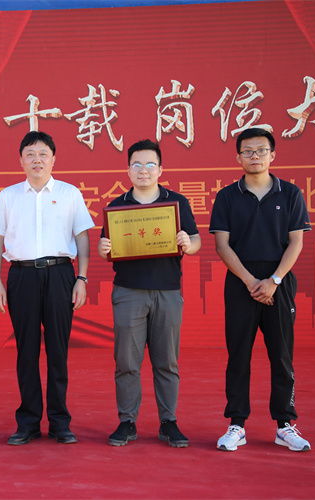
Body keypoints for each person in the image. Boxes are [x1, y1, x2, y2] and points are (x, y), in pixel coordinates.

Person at [0, 130, 94, 445]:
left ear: (53, 159)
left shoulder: (70, 193)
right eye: (30, 154)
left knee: (58, 351)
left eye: (43, 154)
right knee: (26, 351)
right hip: (21, 277)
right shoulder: (8, 196)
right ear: (21, 160)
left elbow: (82, 238)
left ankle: (60, 422)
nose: (37, 160)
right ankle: (29, 422)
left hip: (61, 275)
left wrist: (82, 278)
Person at [209, 127, 312, 452]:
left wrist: (274, 280)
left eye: (261, 150)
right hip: (241, 282)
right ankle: (237, 424)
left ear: (272, 155)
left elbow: (296, 242)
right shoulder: (227, 196)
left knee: (281, 355)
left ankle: (285, 424)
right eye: (248, 151)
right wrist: (250, 281)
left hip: (279, 282)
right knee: (238, 355)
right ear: (238, 157)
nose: (255, 156)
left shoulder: (290, 194)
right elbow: (222, 245)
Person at [98, 139, 200, 448]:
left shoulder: (177, 202)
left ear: (160, 169)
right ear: (128, 170)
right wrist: (104, 249)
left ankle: (169, 421)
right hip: (128, 291)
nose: (144, 170)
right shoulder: (117, 206)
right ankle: (127, 421)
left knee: (166, 361)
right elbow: (107, 249)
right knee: (127, 361)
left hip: (167, 291)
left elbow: (195, 241)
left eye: (150, 164)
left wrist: (187, 243)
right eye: (137, 165)